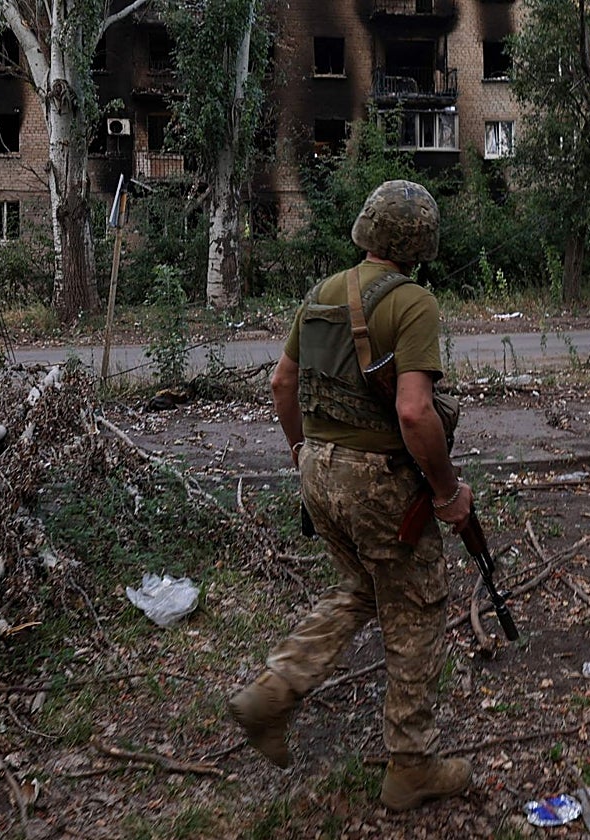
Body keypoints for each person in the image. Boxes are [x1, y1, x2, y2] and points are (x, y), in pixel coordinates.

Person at [228, 179, 474, 812]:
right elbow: (416, 413)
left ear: (367, 231)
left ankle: (273, 693)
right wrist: (447, 493)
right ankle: (410, 767)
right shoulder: (413, 301)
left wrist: (300, 452)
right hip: (376, 482)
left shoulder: (320, 295)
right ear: (420, 242)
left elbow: (284, 384)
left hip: (317, 470)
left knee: (362, 588)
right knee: (417, 604)